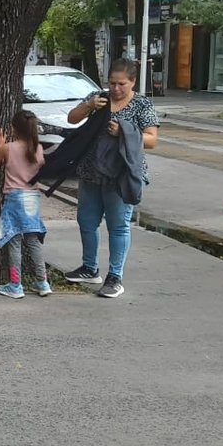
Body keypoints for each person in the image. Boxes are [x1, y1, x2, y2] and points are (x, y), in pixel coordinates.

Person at [63, 58, 159, 298]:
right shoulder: (99, 98)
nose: (115, 89)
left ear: (133, 82)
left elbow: (152, 140)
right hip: (91, 171)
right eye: (112, 83)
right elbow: (72, 118)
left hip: (121, 175)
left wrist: (125, 133)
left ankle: (115, 277)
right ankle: (89, 268)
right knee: (86, 221)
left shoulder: (141, 104)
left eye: (121, 84)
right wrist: (89, 106)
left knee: (118, 226)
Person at [0, 110, 50, 299]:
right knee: (33, 240)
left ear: (14, 128)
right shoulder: (38, 148)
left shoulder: (8, 148)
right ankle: (42, 282)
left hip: (15, 198)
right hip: (33, 198)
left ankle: (15, 285)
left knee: (14, 240)